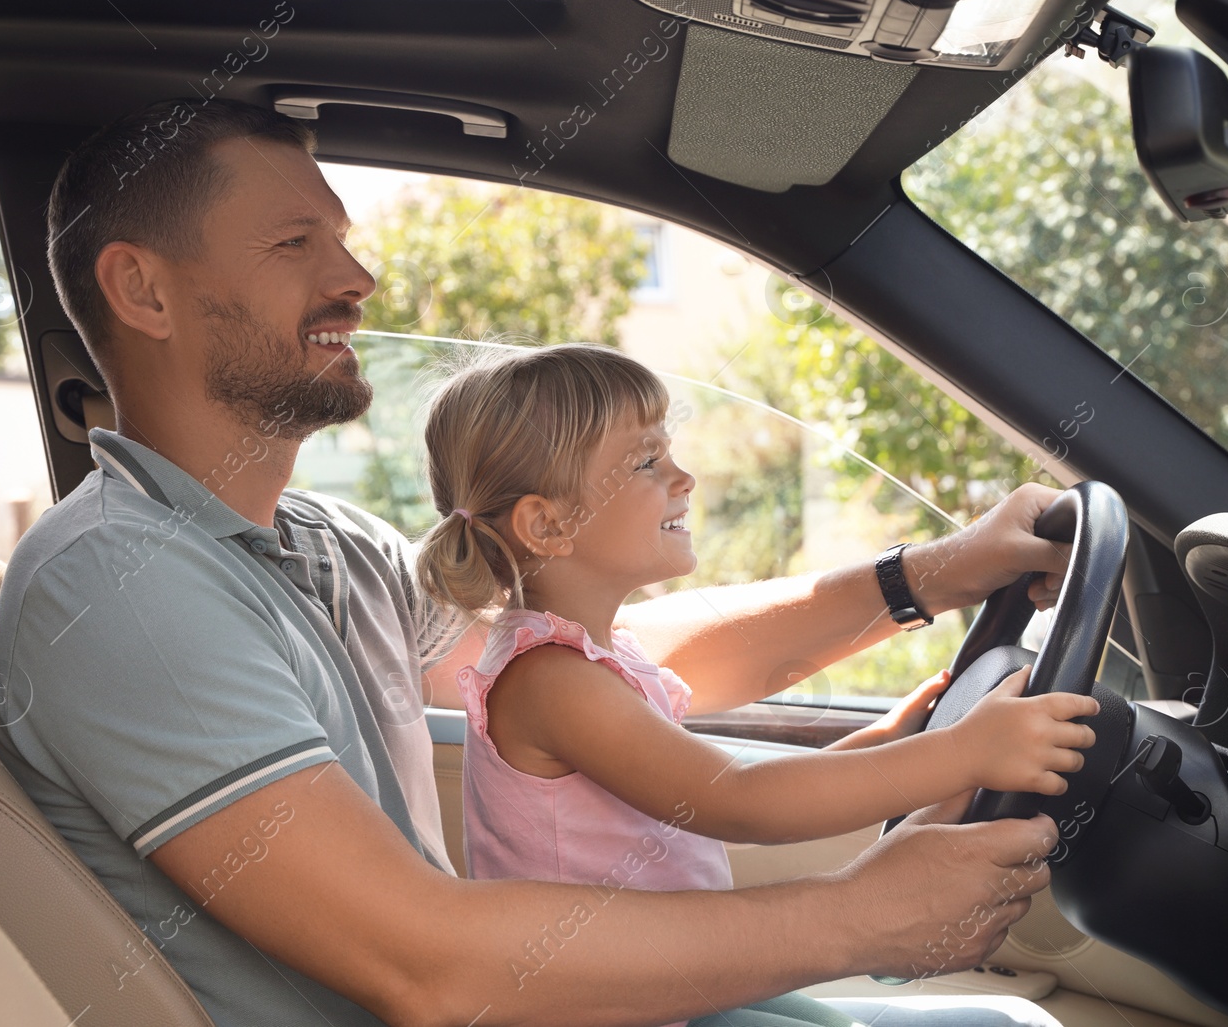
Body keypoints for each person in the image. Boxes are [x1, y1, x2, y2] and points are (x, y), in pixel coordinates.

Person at [0, 95, 1074, 1027]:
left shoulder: (321, 545)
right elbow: (425, 961)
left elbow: (591, 667)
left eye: (346, 240)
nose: (358, 277)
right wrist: (853, 913)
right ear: (143, 291)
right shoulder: (116, 584)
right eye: (294, 244)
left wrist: (922, 579)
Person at [412, 344, 1098, 1027]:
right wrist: (966, 752)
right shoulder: (550, 680)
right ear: (549, 523)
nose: (684, 477)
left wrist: (886, 742)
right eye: (648, 461)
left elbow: (694, 807)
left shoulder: (599, 658)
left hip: (677, 983)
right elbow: (739, 802)